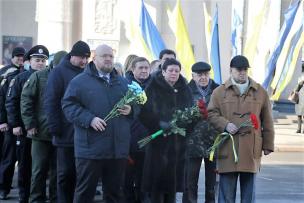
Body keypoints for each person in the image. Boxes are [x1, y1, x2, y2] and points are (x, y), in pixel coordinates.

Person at [62, 44, 132, 203]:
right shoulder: (79, 82)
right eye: (104, 56)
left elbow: (136, 107)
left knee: (114, 194)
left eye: (111, 56)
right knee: (85, 193)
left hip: (117, 149)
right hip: (90, 149)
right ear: (94, 58)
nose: (108, 59)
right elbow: (68, 106)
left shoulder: (122, 82)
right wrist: (89, 119)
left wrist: (131, 109)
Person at [207, 55, 274, 203]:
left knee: (249, 195)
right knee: (226, 195)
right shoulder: (219, 92)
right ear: (231, 70)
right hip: (228, 147)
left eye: (245, 69)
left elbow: (267, 119)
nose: (242, 72)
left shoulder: (260, 92)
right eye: (239, 70)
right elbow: (211, 113)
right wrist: (224, 124)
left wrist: (268, 144)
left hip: (251, 148)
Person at [139, 58, 193, 203]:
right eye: (170, 70)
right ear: (163, 72)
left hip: (178, 146)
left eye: (177, 71)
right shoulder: (152, 87)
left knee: (173, 187)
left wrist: (185, 123)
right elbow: (143, 112)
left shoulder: (185, 88)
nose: (174, 73)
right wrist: (158, 124)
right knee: (157, 186)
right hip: (158, 144)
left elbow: (192, 114)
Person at [44, 41, 90, 203]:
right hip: (64, 133)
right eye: (81, 57)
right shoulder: (58, 73)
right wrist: (55, 127)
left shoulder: (88, 73)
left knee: (81, 175)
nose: (84, 61)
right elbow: (51, 101)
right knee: (65, 174)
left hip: (85, 132)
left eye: (87, 58)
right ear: (72, 55)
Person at [20, 50, 67, 203]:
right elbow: (26, 101)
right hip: (40, 132)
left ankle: (55, 199)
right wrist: (30, 124)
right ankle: (36, 199)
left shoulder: (69, 77)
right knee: (39, 170)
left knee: (58, 171)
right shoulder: (38, 77)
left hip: (60, 133)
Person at [5, 45, 49, 203]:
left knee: (41, 166)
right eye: (37, 60)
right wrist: (15, 124)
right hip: (23, 130)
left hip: (43, 130)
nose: (40, 63)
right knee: (25, 163)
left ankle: (39, 194)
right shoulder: (20, 78)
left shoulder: (49, 77)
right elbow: (11, 102)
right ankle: (24, 195)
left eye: (43, 60)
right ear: (29, 61)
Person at [182, 62, 219, 203]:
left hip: (214, 142)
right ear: (193, 76)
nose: (203, 77)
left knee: (211, 183)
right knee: (190, 182)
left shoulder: (218, 90)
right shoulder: (186, 90)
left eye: (206, 74)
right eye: (199, 75)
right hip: (192, 142)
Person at [124, 57, 151, 203]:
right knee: (126, 182)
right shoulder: (123, 85)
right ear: (132, 69)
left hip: (149, 141)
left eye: (146, 68)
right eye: (140, 68)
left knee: (144, 183)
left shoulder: (155, 86)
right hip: (128, 142)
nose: (144, 71)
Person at [0, 46, 26, 200]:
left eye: (22, 56)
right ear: (12, 57)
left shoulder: (26, 72)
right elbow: (2, 100)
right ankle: (3, 187)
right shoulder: (6, 73)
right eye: (17, 56)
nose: (20, 59)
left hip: (21, 123)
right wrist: (2, 121)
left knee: (22, 159)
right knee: (9, 158)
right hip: (9, 124)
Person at [294, 62, 304, 133]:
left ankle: (299, 129)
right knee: (299, 113)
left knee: (299, 114)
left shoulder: (301, 77)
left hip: (300, 97)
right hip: (299, 97)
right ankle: (299, 129)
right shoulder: (300, 77)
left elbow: (298, 86)